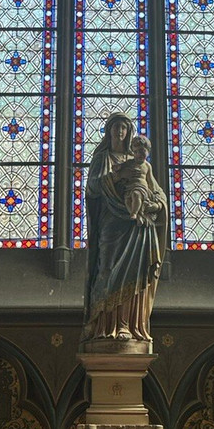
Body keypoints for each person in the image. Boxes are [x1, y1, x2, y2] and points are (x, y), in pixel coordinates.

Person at [83, 113, 167, 344]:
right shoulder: (103, 159)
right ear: (109, 131)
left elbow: (156, 189)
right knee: (107, 269)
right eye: (116, 127)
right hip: (112, 223)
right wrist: (116, 176)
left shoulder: (140, 161)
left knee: (134, 273)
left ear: (129, 132)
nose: (120, 131)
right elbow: (92, 188)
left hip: (137, 225)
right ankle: (103, 326)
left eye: (124, 127)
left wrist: (156, 203)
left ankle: (126, 325)